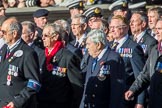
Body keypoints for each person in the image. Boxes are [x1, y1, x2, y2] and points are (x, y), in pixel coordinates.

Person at [37, 23, 83, 108]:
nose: (42, 38)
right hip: (42, 103)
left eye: (46, 35)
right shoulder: (41, 55)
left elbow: (77, 87)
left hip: (61, 104)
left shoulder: (67, 57)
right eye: (42, 35)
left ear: (55, 37)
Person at [0, 17, 41, 108]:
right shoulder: (4, 49)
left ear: (14, 33)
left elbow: (34, 83)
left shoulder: (28, 53)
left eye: (4, 32)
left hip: (16, 104)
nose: (1, 34)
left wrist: (17, 102)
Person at [79, 29, 125, 108]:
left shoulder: (114, 58)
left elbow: (117, 90)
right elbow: (87, 86)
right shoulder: (91, 57)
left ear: (98, 45)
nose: (87, 47)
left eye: (89, 44)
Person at [109, 15, 145, 108]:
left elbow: (140, 76)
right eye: (111, 27)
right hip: (110, 95)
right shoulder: (109, 46)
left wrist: (140, 102)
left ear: (125, 28)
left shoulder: (133, 47)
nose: (112, 30)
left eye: (116, 27)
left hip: (125, 96)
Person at [125, 18, 162, 108]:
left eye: (160, 29)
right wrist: (133, 89)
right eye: (156, 29)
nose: (157, 32)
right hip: (154, 100)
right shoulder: (155, 50)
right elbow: (146, 73)